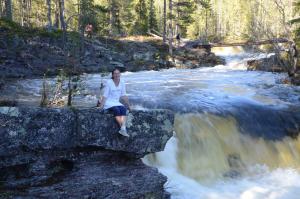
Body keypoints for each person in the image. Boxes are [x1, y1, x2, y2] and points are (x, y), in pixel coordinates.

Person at [97, 68, 131, 137]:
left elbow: (124, 95)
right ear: (112, 75)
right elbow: (105, 95)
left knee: (123, 109)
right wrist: (101, 106)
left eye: (118, 73)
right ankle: (123, 128)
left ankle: (123, 129)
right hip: (108, 101)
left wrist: (129, 106)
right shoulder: (109, 82)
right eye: (115, 73)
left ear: (120, 74)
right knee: (116, 110)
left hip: (116, 101)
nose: (117, 75)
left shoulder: (122, 82)